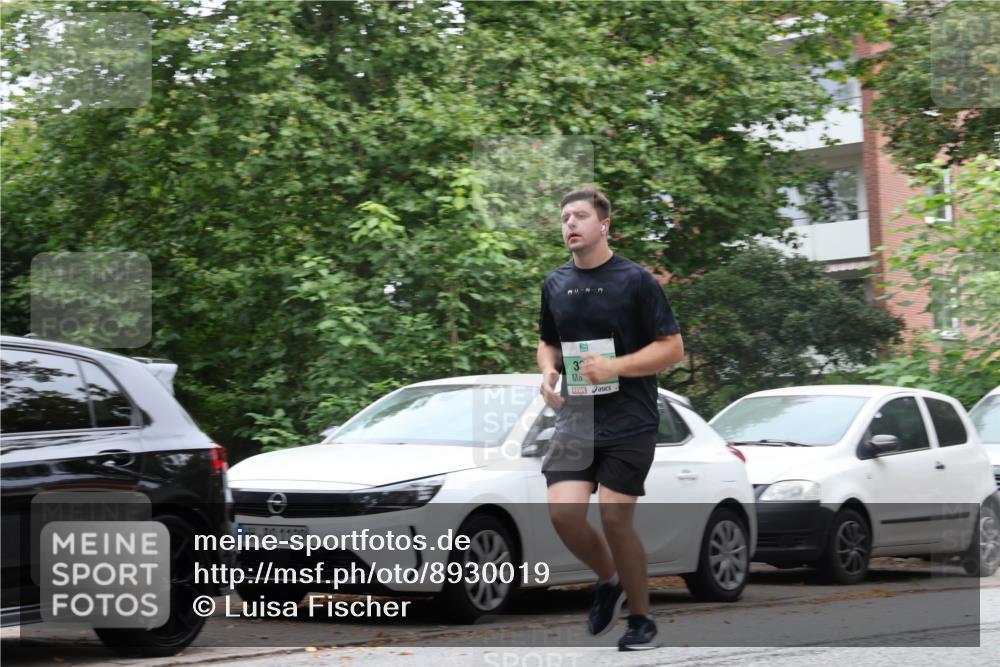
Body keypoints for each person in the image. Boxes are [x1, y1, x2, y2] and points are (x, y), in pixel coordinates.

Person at [536, 187, 683, 651]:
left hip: (630, 420)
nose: (570, 224)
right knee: (562, 513)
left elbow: (672, 348)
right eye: (564, 218)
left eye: (580, 216)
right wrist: (546, 372)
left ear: (604, 226)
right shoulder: (555, 284)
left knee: (615, 519)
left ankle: (642, 621)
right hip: (577, 419)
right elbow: (549, 343)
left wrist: (615, 367)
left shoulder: (636, 280)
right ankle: (609, 579)